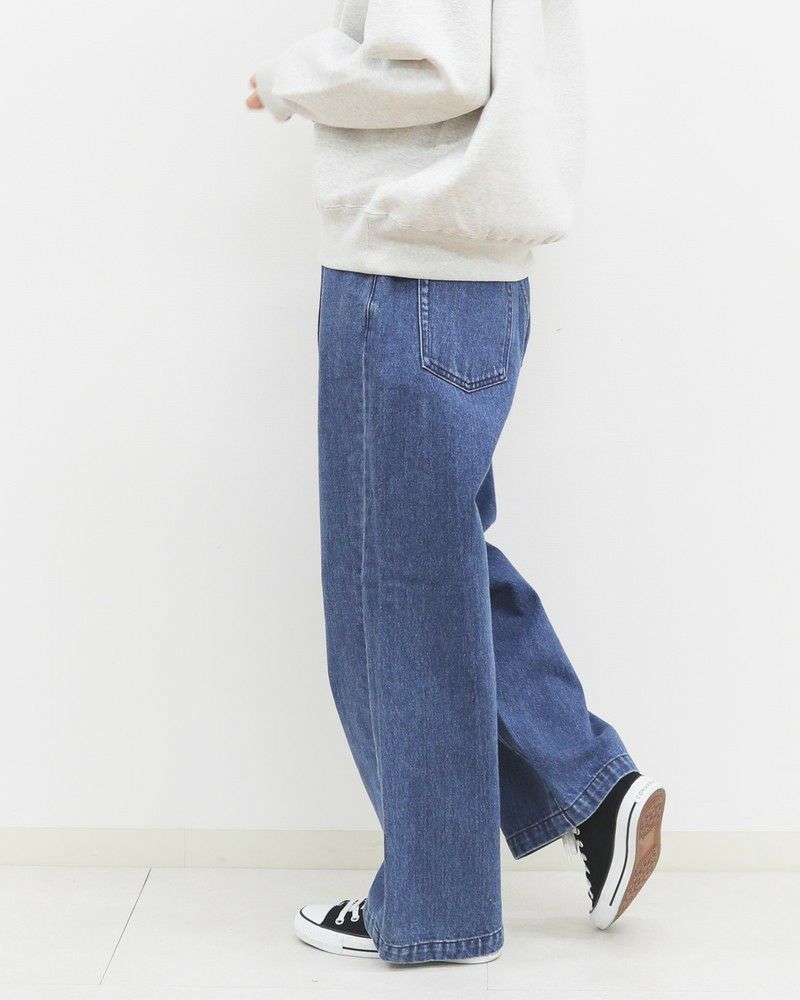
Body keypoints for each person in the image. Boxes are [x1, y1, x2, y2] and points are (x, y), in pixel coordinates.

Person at [246, 0, 665, 965]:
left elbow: (436, 71)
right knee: (434, 568)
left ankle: (435, 906)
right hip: (476, 279)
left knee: (391, 599)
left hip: (404, 277)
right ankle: (593, 789)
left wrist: (292, 77)